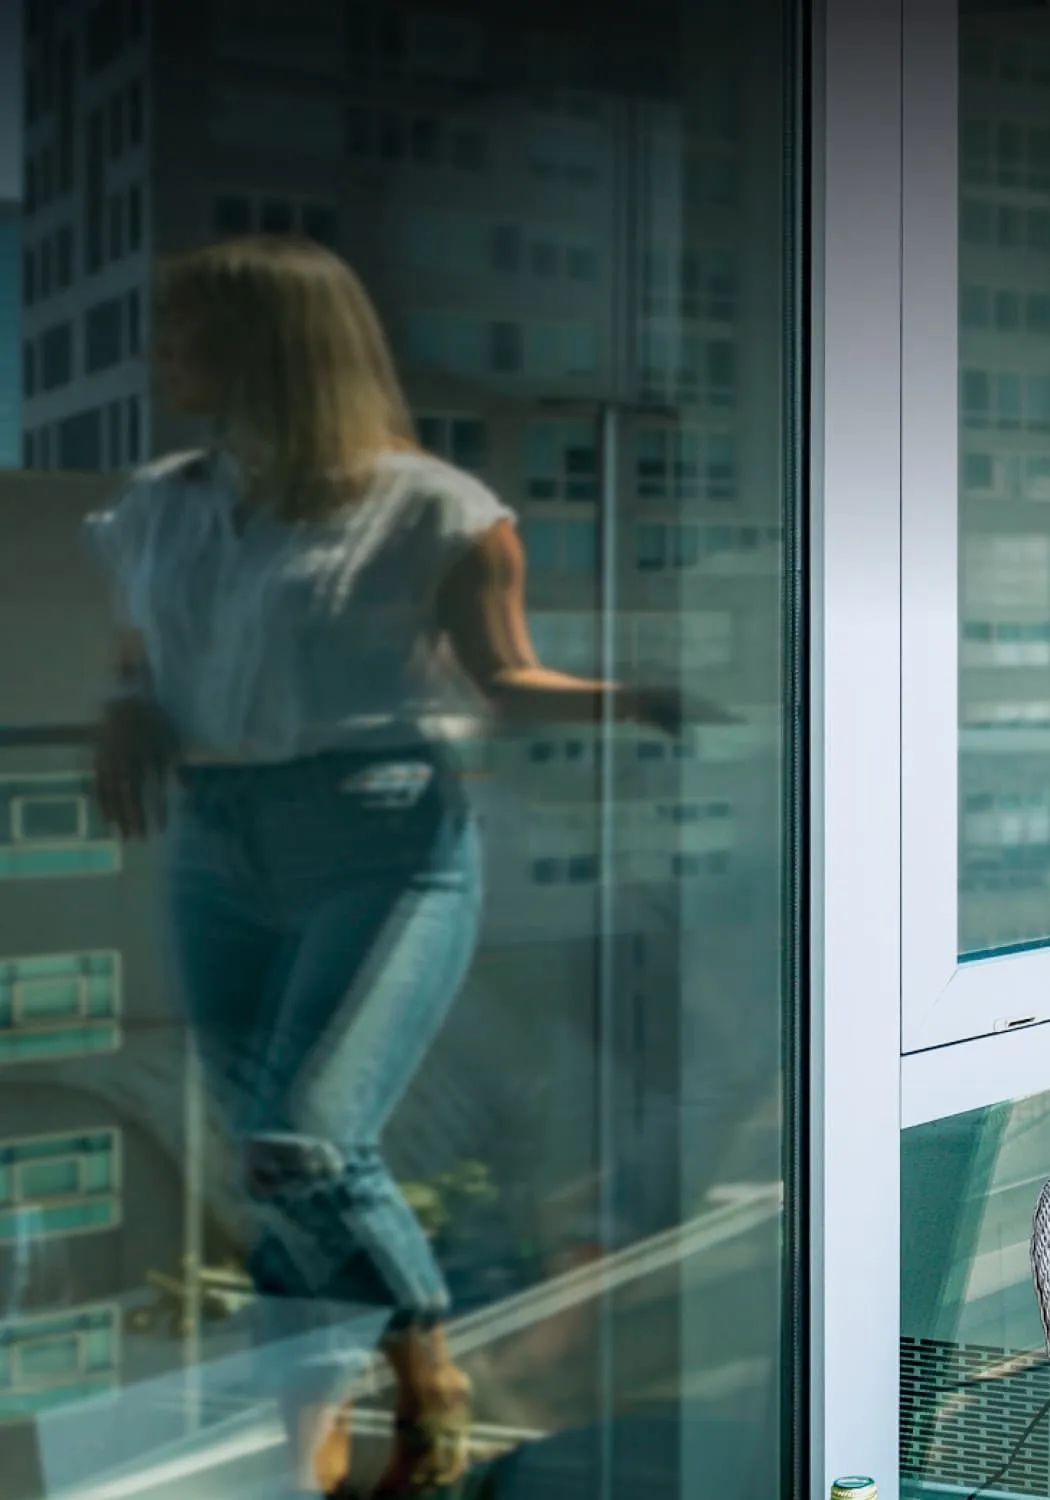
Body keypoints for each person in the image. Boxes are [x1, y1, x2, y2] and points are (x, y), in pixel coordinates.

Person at [85, 235, 693, 1497]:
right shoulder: (156, 503)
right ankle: (307, 1422)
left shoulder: (434, 510)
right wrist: (127, 709)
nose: (160, 353)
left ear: (272, 346)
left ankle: (429, 1373)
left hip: (385, 839)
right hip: (215, 843)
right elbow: (150, 665)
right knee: (264, 1155)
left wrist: (637, 700)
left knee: (308, 1143)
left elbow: (504, 683)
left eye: (184, 328)